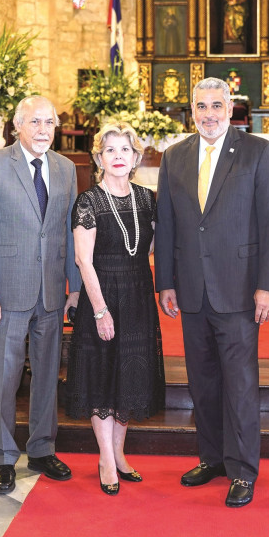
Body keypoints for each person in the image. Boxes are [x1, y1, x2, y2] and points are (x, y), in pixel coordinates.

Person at [155, 77, 269, 508]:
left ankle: (243, 470)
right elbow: (169, 223)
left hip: (240, 290)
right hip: (191, 291)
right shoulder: (174, 156)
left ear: (231, 109)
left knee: (241, 384)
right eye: (200, 106)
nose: (208, 113)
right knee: (203, 383)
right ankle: (211, 458)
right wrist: (167, 281)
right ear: (190, 110)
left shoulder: (258, 152)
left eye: (216, 105)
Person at [0, 95, 81, 494]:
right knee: (5, 376)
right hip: (7, 292)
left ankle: (42, 447)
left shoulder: (67, 169)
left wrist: (75, 288)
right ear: (18, 125)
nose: (44, 130)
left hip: (51, 292)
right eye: (35, 122)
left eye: (50, 122)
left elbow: (69, 232)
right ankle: (2, 455)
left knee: (48, 374)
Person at [66, 122, 165, 496]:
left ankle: (120, 454)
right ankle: (106, 457)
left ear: (137, 157)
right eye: (110, 150)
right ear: (98, 158)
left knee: (131, 375)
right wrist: (99, 310)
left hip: (138, 293)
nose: (118, 156)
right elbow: (82, 260)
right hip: (102, 296)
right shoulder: (88, 201)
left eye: (126, 149)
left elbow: (151, 247)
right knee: (103, 377)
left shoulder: (146, 198)